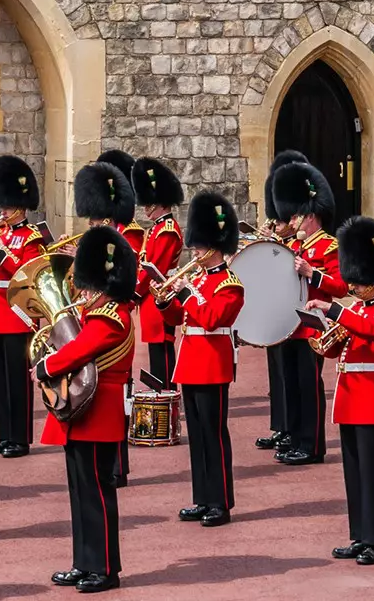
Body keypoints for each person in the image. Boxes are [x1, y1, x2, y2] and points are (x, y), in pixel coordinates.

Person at [39, 226, 139, 595]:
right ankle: (84, 562)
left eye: (86, 286)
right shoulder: (97, 313)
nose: (81, 293)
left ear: (101, 283)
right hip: (82, 410)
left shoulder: (112, 318)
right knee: (80, 493)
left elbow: (78, 351)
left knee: (97, 493)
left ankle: (106, 568)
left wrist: (46, 366)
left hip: (98, 412)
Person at [309, 216, 374, 566]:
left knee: (373, 471)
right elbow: (339, 347)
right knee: (353, 472)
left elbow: (372, 332)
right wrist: (321, 334)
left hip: (372, 398)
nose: (354, 285)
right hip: (350, 397)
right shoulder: (357, 312)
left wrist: (334, 309)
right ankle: (359, 534)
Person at [162, 190, 245, 525]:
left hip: (213, 365)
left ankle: (220, 501)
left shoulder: (231, 285)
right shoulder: (196, 279)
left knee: (213, 434)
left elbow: (211, 318)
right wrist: (165, 301)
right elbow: (177, 319)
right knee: (196, 437)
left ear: (214, 245)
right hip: (191, 363)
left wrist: (184, 292)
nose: (193, 250)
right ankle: (201, 497)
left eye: (198, 244)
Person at [74, 159, 140, 487]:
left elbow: (127, 285)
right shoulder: (101, 240)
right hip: (97, 315)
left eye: (96, 217)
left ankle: (118, 465)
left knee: (116, 398)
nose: (92, 222)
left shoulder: (125, 240)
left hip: (115, 320)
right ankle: (111, 463)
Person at [277, 160, 341, 463]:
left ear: (312, 216)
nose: (295, 220)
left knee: (309, 386)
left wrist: (313, 273)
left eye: (300, 214)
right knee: (292, 385)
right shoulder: (295, 247)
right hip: (292, 324)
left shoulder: (328, 246)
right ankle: (295, 437)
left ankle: (312, 445)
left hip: (313, 325)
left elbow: (341, 287)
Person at [0, 154, 45, 458]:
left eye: (6, 206)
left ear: (20, 206)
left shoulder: (31, 237)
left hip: (17, 314)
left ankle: (20, 438)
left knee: (17, 380)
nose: (2, 211)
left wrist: (1, 252)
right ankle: (4, 434)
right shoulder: (1, 233)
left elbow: (25, 272)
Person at [258, 150, 310, 453]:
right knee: (279, 377)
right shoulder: (287, 240)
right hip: (279, 315)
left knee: (300, 382)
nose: (281, 222)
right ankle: (283, 427)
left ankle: (302, 436)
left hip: (302, 321)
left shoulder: (316, 244)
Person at [132, 157, 186, 389]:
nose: (145, 208)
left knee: (163, 351)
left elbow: (155, 269)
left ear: (159, 202)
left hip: (160, 297)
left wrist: (133, 292)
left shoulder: (166, 231)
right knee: (156, 352)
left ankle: (167, 399)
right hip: (150, 299)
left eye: (149, 203)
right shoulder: (156, 229)